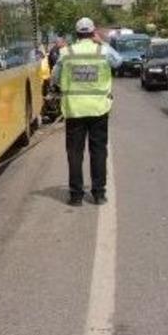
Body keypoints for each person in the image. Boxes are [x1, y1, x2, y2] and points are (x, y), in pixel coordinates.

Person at [52, 17, 113, 205]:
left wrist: (64, 86)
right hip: (98, 109)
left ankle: (76, 196)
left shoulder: (66, 52)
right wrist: (102, 42)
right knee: (98, 152)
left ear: (76, 34)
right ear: (92, 32)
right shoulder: (102, 51)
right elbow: (119, 62)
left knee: (75, 154)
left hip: (74, 110)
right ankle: (99, 194)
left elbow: (55, 77)